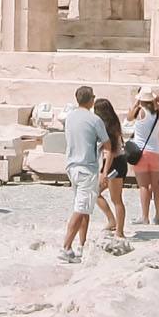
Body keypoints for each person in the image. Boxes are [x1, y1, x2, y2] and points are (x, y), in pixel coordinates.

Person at [61, 86, 103, 263]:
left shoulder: (69, 117)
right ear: (91, 100)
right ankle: (66, 247)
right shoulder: (94, 119)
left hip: (72, 167)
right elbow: (106, 142)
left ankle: (81, 244)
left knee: (83, 207)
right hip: (87, 167)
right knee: (80, 209)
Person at [126, 87, 159, 225]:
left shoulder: (140, 112)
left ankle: (144, 216)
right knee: (156, 185)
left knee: (143, 186)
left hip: (141, 152)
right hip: (155, 152)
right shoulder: (157, 113)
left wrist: (136, 103)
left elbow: (128, 118)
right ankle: (158, 216)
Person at [93, 97, 128, 238]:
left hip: (115, 164)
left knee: (116, 199)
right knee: (95, 193)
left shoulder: (109, 128)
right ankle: (112, 220)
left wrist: (105, 172)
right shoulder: (113, 124)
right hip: (115, 162)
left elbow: (111, 152)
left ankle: (119, 230)